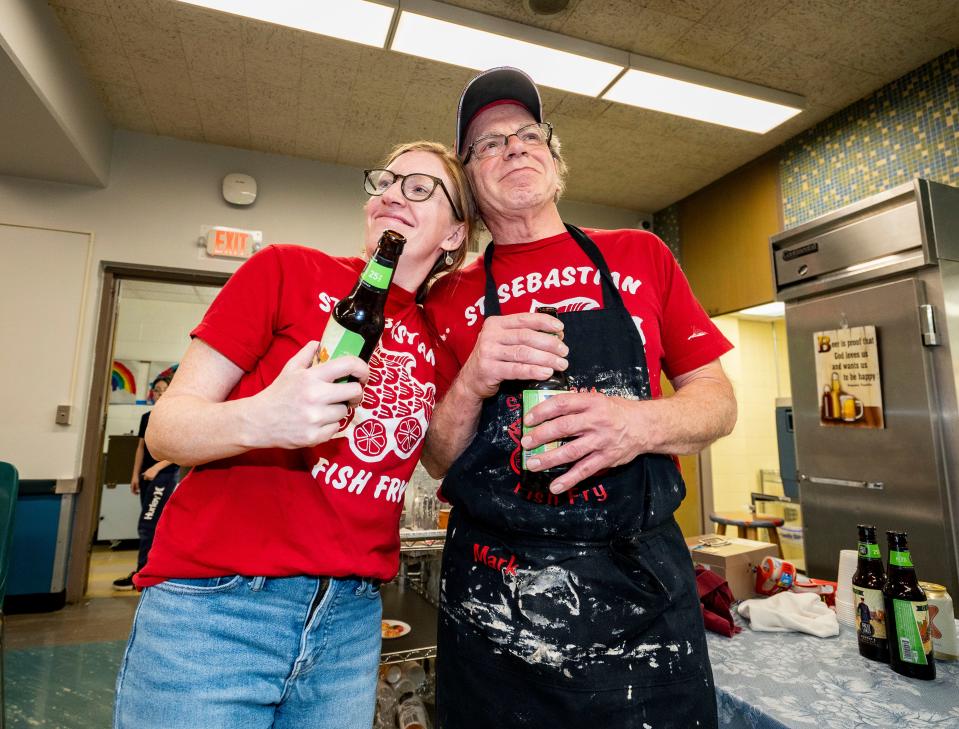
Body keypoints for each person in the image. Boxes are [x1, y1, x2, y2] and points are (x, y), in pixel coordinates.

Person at [113, 140, 476, 729]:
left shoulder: (439, 341)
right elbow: (166, 429)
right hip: (219, 609)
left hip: (351, 623)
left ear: (455, 234)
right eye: (385, 182)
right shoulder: (286, 269)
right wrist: (261, 418)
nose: (390, 195)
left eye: (417, 187)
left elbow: (442, 462)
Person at [422, 67, 738, 728]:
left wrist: (639, 422)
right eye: (487, 144)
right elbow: (439, 459)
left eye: (527, 134)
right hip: (495, 595)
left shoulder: (640, 254)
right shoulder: (447, 296)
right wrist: (474, 376)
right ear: (470, 182)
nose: (511, 147)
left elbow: (716, 402)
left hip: (640, 590)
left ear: (554, 158)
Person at [112, 376, 179, 590]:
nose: (159, 394)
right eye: (156, 390)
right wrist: (135, 474)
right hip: (146, 476)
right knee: (149, 524)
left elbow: (180, 452)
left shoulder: (177, 418)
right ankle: (149, 570)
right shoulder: (147, 417)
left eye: (163, 390)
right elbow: (141, 448)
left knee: (148, 525)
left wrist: (157, 468)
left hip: (164, 475)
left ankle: (143, 573)